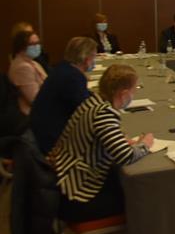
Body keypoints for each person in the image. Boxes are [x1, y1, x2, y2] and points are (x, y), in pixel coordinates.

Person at [49, 64, 153, 222]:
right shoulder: (104, 114)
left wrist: (121, 140)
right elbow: (126, 157)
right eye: (134, 90)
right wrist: (145, 143)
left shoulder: (93, 102)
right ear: (124, 94)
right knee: (142, 200)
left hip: (65, 181)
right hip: (79, 196)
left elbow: (99, 138)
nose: (134, 95)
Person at [29, 37, 96, 154]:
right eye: (94, 57)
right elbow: (87, 112)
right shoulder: (73, 77)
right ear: (87, 59)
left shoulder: (64, 68)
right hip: (53, 141)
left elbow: (83, 97)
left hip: (41, 132)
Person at [7, 30, 47, 115]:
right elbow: (35, 99)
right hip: (33, 113)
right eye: (32, 44)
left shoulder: (33, 62)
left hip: (44, 107)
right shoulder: (22, 67)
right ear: (21, 47)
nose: (37, 46)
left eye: (38, 43)